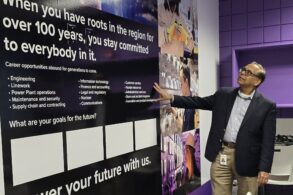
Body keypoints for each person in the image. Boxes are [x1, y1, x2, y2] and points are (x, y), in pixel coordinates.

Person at [154, 62, 277, 195]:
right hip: (222, 154)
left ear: (257, 81)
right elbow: (198, 102)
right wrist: (172, 98)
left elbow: (268, 141)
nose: (242, 73)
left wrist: (264, 168)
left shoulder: (266, 106)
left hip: (249, 159)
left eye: (248, 72)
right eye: (243, 69)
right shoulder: (224, 94)